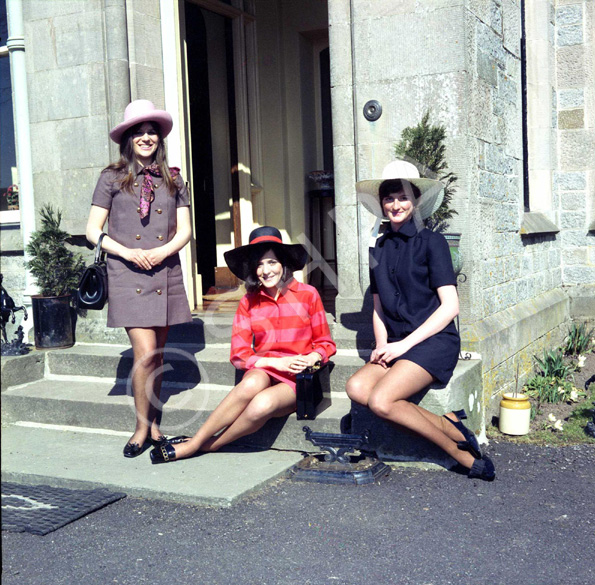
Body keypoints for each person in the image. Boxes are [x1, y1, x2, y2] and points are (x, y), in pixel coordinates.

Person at [347, 160, 495, 481]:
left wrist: (404, 345)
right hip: (398, 343)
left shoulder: (433, 243)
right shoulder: (378, 248)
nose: (395, 204)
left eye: (402, 197)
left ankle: (458, 455)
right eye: (389, 198)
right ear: (382, 204)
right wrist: (384, 343)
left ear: (415, 200)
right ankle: (448, 423)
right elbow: (377, 307)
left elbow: (450, 307)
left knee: (382, 401)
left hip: (433, 342)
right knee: (356, 387)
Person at [150, 226, 336, 464]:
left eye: (271, 262)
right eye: (259, 265)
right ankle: (196, 443)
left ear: (283, 264)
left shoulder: (308, 294)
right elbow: (239, 355)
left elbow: (325, 343)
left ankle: (207, 444)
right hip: (265, 370)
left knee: (262, 403)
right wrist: (275, 362)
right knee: (251, 384)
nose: (266, 271)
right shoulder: (248, 302)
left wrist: (312, 358)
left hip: (298, 376)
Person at [85, 100, 192, 458]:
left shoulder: (174, 178)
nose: (146, 138)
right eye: (139, 133)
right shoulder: (111, 177)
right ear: (128, 139)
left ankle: (155, 424)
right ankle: (141, 427)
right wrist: (128, 252)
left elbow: (185, 231)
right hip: (127, 271)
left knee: (157, 357)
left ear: (159, 139)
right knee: (144, 356)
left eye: (152, 133)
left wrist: (163, 252)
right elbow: (92, 231)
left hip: (164, 270)